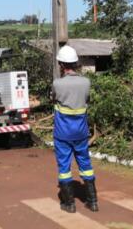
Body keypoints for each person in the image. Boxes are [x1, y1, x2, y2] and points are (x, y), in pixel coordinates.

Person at [52, 45, 98, 213]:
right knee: (85, 163)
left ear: (62, 65)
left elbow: (54, 99)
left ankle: (69, 204)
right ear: (76, 63)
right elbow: (87, 100)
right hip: (81, 132)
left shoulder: (57, 83)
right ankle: (93, 201)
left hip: (63, 133)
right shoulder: (86, 82)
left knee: (64, 168)